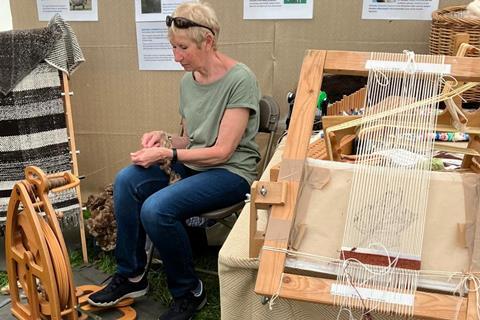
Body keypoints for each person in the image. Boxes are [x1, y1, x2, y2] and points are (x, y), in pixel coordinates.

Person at [87, 2, 261, 319]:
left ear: (207, 41)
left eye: (182, 48)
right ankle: (131, 276)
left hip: (231, 173)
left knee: (157, 208)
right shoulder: (188, 81)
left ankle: (188, 291)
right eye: (172, 46)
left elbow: (221, 151)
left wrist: (168, 153)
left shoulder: (240, 80)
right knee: (127, 180)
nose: (176, 55)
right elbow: (192, 139)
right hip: (196, 167)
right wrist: (165, 138)